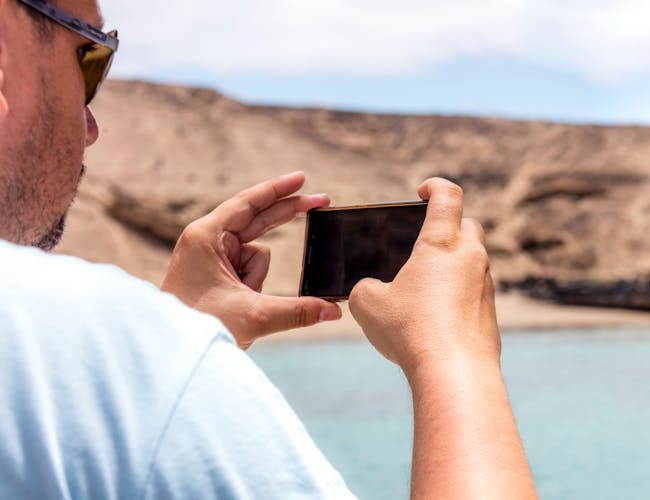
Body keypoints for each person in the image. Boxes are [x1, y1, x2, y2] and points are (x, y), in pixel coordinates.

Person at [0, 0, 537, 498]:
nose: (91, 127)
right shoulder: (86, 350)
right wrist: (455, 358)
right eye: (90, 58)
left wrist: (174, 334)